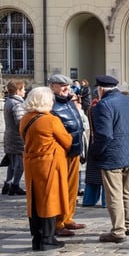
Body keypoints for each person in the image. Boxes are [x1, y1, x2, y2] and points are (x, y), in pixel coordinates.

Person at [21, 86, 72, 251]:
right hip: (49, 164)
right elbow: (67, 141)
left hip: (31, 163)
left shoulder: (26, 118)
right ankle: (47, 238)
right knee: (49, 200)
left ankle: (37, 238)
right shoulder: (50, 120)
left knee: (35, 201)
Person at [91, 74, 129, 243]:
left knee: (114, 194)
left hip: (112, 155)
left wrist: (95, 152)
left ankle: (118, 230)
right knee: (127, 191)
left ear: (101, 89)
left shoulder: (103, 105)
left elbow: (104, 134)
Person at [48, 74, 86, 236]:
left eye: (68, 85)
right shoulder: (49, 104)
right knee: (60, 189)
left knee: (72, 188)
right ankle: (58, 222)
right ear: (52, 86)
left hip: (74, 150)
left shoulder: (69, 102)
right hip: (60, 152)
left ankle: (68, 217)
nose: (66, 88)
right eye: (62, 85)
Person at [2, 79, 27, 196]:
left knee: (12, 163)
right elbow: (20, 122)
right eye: (23, 89)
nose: (25, 91)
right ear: (17, 91)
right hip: (17, 138)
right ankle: (14, 185)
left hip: (10, 136)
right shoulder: (17, 104)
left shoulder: (8, 101)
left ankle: (7, 184)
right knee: (20, 164)